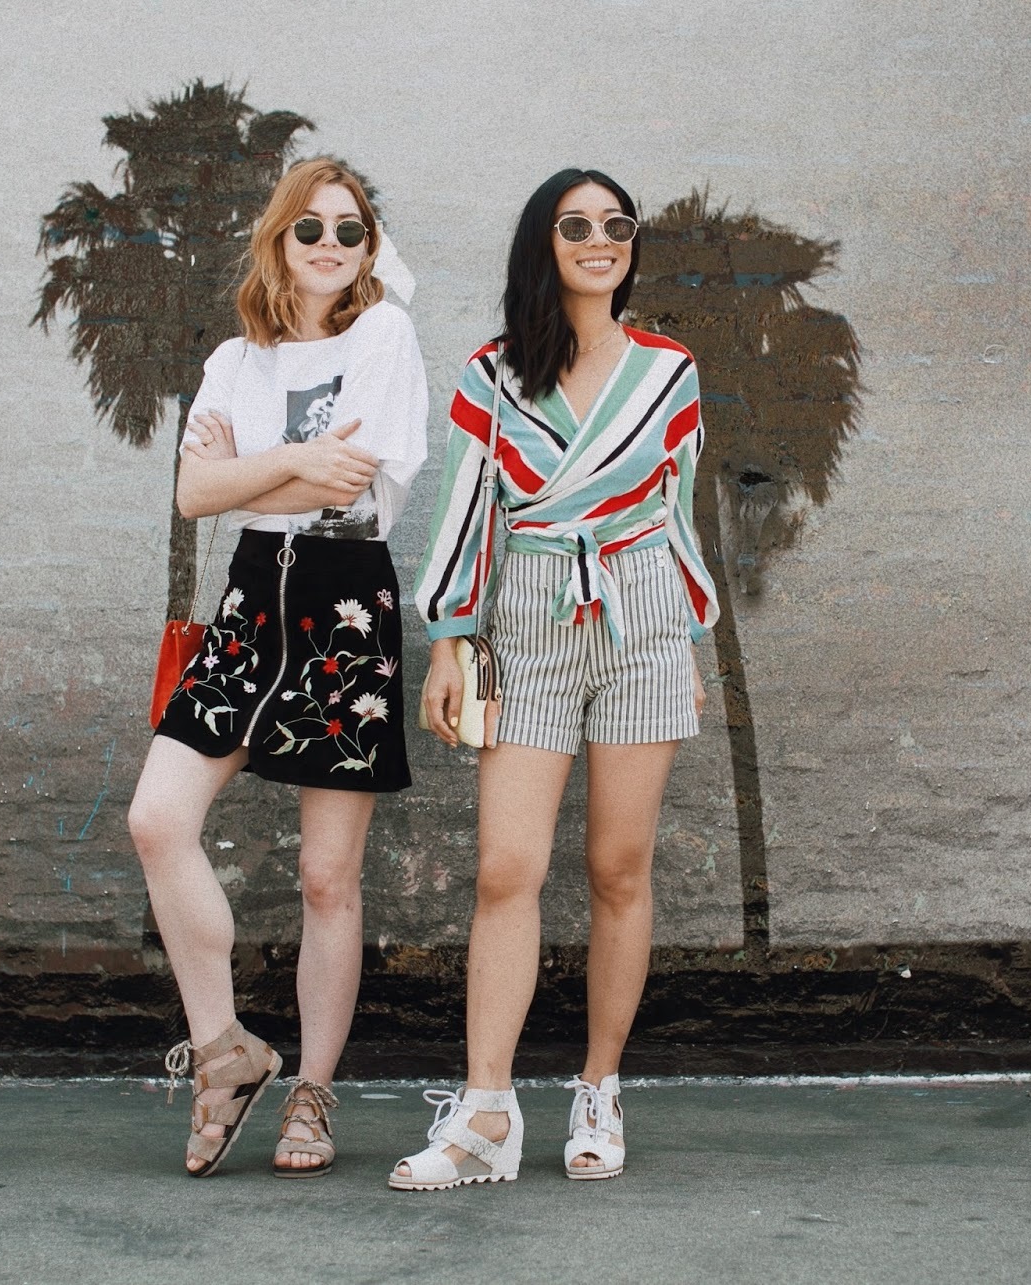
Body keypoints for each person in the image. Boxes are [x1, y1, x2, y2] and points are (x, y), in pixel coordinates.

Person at [391, 168, 719, 1190]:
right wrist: (449, 640)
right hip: (529, 621)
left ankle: (599, 1088)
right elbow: (466, 510)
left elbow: (677, 511)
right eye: (576, 225)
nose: (599, 238)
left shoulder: (669, 371)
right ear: (545, 242)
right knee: (507, 868)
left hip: (642, 618)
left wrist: (689, 636)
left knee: (619, 867)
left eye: (616, 223)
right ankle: (486, 1110)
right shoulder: (493, 374)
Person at [128, 157, 428, 1178]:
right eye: (311, 229)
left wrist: (244, 472)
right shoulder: (235, 359)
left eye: (351, 230)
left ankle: (313, 1089)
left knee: (325, 874)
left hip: (344, 603)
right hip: (252, 602)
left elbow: (350, 490)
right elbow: (191, 496)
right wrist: (294, 463)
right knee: (157, 818)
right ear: (279, 239)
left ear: (369, 246)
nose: (331, 246)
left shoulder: (383, 335)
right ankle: (227, 1051)